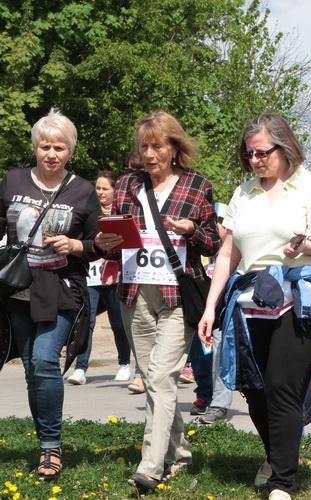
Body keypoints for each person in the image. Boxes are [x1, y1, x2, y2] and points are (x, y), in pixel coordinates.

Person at [197, 113, 311, 500]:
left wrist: (307, 245)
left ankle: (282, 482)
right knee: (254, 387)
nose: (255, 160)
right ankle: (276, 454)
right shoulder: (243, 193)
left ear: (285, 147)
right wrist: (211, 307)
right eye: (249, 154)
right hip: (250, 300)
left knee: (281, 385)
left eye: (262, 152)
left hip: (300, 297)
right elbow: (228, 253)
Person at [96, 111, 220, 493]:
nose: (150, 154)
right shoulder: (128, 185)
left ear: (174, 147)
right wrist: (105, 242)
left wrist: (192, 230)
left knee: (162, 376)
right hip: (134, 293)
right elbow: (115, 241)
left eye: (158, 146)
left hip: (177, 295)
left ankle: (150, 467)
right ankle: (179, 453)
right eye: (144, 146)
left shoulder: (197, 186)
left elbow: (213, 243)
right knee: (153, 379)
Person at [0, 109, 104, 479]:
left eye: (59, 147)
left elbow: (99, 244)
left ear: (70, 150)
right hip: (17, 289)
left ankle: (50, 447)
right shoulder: (13, 180)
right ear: (35, 147)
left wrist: (76, 245)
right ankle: (45, 439)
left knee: (45, 360)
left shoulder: (83, 190)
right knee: (32, 368)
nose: (51, 154)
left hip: (60, 288)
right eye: (45, 146)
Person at [67, 170, 132, 386]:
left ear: (115, 190)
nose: (100, 192)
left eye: (105, 188)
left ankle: (124, 363)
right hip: (91, 276)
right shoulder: (88, 212)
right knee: (87, 321)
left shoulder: (120, 212)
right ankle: (80, 368)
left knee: (118, 322)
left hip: (115, 277)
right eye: (97, 188)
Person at [197, 202, 233, 424]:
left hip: (222, 312)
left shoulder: (234, 251)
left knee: (219, 354)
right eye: (211, 222)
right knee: (201, 357)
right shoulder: (199, 246)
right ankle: (205, 396)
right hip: (198, 309)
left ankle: (219, 404)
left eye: (219, 222)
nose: (215, 226)